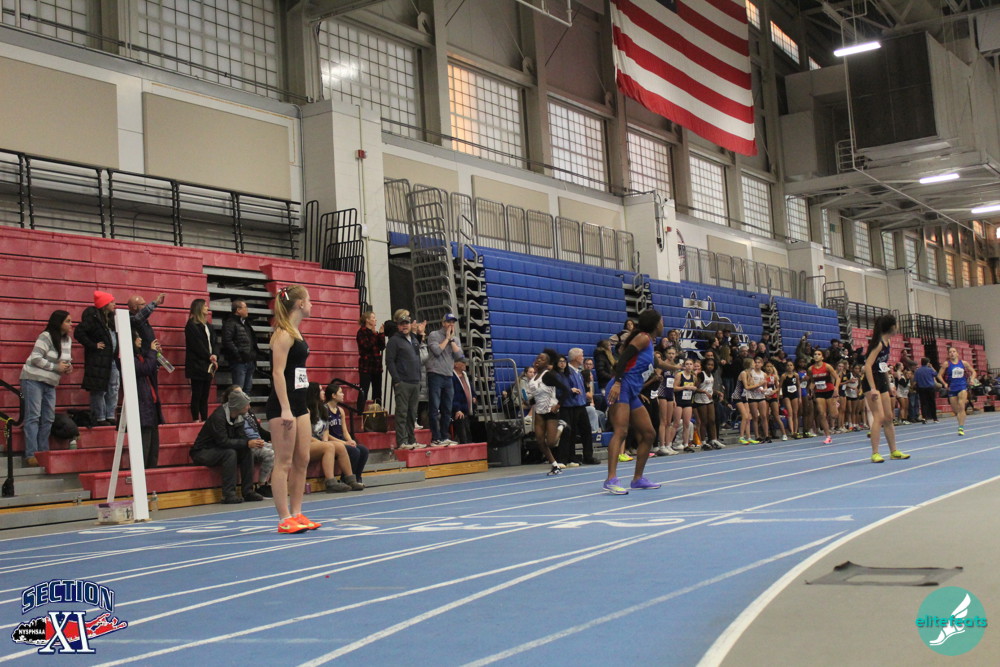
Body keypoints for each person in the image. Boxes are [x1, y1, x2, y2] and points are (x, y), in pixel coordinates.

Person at [265, 284, 320, 534]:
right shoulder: (283, 334)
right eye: (309, 300)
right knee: (284, 462)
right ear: (299, 304)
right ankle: (284, 517)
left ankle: (297, 512)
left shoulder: (297, 332)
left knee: (302, 459)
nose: (312, 304)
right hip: (282, 406)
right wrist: (285, 409)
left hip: (300, 403)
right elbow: (277, 373)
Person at [603, 309, 664, 495]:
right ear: (655, 324)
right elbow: (623, 358)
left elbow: (659, 364)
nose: (663, 324)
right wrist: (618, 382)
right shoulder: (643, 338)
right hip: (621, 387)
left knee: (648, 433)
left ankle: (637, 479)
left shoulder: (650, 343)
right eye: (661, 321)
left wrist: (676, 366)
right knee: (621, 431)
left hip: (631, 392)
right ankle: (611, 479)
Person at [189, 389, 265, 504]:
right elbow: (222, 442)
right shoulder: (218, 417)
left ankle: (248, 491)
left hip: (220, 449)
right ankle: (228, 494)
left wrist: (251, 442)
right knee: (230, 453)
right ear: (238, 406)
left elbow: (241, 437)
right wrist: (246, 443)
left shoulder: (239, 416)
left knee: (247, 451)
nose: (249, 407)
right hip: (203, 452)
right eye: (246, 405)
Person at [19, 310, 73, 465]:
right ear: (59, 323)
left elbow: (66, 360)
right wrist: (55, 367)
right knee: (33, 416)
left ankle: (43, 452)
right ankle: (31, 454)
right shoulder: (46, 336)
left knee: (48, 418)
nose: (71, 324)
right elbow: (35, 358)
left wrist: (68, 367)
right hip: (33, 379)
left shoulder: (67, 340)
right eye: (68, 321)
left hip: (50, 382)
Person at [862, 315, 910, 462]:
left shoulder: (888, 342)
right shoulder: (878, 344)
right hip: (871, 381)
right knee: (879, 417)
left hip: (881, 381)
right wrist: (873, 388)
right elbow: (867, 366)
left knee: (889, 417)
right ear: (892, 327)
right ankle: (875, 453)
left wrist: (889, 385)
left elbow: (882, 367)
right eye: (897, 324)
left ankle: (893, 451)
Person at [305, 383, 362, 492]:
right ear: (314, 393)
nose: (323, 392)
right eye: (321, 390)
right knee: (329, 447)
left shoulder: (322, 409)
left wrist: (325, 441)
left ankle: (350, 479)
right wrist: (323, 444)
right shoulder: (307, 411)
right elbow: (306, 436)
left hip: (319, 443)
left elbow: (325, 430)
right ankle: (331, 482)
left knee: (340, 447)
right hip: (307, 443)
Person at [221, 384, 274, 498]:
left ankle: (272, 483)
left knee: (282, 449)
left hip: (258, 441)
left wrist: (275, 438)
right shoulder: (230, 414)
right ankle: (261, 485)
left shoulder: (248, 412)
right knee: (270, 453)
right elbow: (234, 435)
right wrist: (250, 442)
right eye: (238, 394)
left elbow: (259, 430)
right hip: (247, 445)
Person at [75, 291, 119, 427]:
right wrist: (93, 345)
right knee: (99, 390)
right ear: (104, 304)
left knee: (113, 388)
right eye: (111, 302)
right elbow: (78, 332)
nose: (114, 304)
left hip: (111, 359)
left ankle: (110, 414)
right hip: (98, 361)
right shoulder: (93, 319)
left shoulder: (111, 320)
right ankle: (100, 416)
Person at [524, 349, 571, 475]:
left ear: (547, 363)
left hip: (551, 410)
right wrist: (530, 401)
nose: (539, 360)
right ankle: (555, 465)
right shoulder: (533, 379)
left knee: (551, 442)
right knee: (540, 441)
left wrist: (558, 405)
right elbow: (535, 396)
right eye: (538, 358)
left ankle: (561, 425)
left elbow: (566, 390)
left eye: (542, 359)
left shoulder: (548, 375)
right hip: (539, 411)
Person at [425, 313, 465, 446]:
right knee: (434, 407)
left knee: (447, 408)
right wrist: (447, 338)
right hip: (435, 374)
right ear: (443, 323)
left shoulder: (455, 339)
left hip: (448, 375)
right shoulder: (434, 335)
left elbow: (459, 356)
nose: (451, 325)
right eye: (448, 322)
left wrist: (451, 340)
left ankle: (444, 436)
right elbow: (437, 351)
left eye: (453, 322)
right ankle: (435, 437)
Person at [385, 313, 423, 450]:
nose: (405, 326)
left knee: (412, 413)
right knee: (402, 413)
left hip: (415, 381)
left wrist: (419, 378)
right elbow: (389, 361)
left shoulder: (414, 339)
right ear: (398, 326)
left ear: (410, 324)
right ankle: (402, 442)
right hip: (403, 382)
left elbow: (418, 359)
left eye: (406, 323)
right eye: (402, 324)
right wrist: (397, 380)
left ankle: (412, 440)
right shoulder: (394, 341)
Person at [324, 381, 369, 484]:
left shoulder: (340, 410)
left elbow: (345, 431)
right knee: (354, 451)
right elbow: (326, 435)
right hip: (333, 442)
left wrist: (350, 440)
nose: (343, 394)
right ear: (333, 395)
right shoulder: (324, 409)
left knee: (364, 450)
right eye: (340, 392)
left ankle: (357, 477)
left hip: (342, 441)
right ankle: (345, 479)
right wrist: (344, 443)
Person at [560, 348, 598, 464]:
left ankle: (588, 456)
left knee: (586, 430)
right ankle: (569, 457)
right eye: (581, 355)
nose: (583, 357)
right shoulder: (567, 372)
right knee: (571, 432)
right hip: (572, 406)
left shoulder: (578, 372)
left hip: (581, 405)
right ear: (576, 357)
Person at [184, 298, 218, 422]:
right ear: (199, 308)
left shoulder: (208, 326)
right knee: (197, 393)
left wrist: (215, 355)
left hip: (208, 364)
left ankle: (204, 419)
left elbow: (214, 343)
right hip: (196, 364)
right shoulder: (191, 325)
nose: (207, 308)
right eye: (204, 306)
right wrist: (209, 356)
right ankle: (195, 419)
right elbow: (197, 345)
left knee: (205, 395)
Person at [133, 333, 163, 468]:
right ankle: (142, 473)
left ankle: (152, 473)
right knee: (144, 447)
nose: (140, 339)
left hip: (152, 403)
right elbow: (144, 369)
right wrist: (152, 353)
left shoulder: (142, 356)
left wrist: (156, 355)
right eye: (137, 337)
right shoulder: (129, 358)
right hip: (142, 405)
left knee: (153, 447)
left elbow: (151, 369)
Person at [221, 300, 259, 395]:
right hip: (239, 362)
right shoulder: (230, 323)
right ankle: (237, 405)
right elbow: (227, 341)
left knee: (247, 388)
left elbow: (251, 341)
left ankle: (245, 405)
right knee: (238, 390)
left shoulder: (245, 323)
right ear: (238, 310)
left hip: (249, 360)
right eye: (245, 307)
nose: (247, 310)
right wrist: (238, 356)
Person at [938, 345, 975, 436]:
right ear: (948, 354)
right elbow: (939, 375)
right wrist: (944, 383)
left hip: (962, 387)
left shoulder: (963, 363)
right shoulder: (946, 364)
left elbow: (974, 372)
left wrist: (972, 379)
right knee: (956, 410)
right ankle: (960, 424)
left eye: (954, 351)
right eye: (950, 352)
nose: (952, 353)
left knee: (961, 406)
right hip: (952, 388)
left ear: (957, 354)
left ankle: (961, 427)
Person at [355, 310, 386, 415]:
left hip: (376, 366)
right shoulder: (361, 332)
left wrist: (381, 334)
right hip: (366, 366)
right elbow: (367, 346)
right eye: (373, 318)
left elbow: (382, 346)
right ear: (367, 320)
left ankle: (378, 413)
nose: (375, 320)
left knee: (377, 392)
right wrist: (373, 334)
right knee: (364, 390)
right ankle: (360, 412)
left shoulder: (374, 333)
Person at [807, 348, 839, 444]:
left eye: (819, 354)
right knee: (822, 413)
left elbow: (837, 378)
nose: (816, 356)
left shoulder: (827, 367)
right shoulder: (810, 369)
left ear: (822, 357)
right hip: (819, 392)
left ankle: (835, 405)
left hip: (829, 391)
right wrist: (810, 389)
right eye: (815, 354)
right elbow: (812, 381)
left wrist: (836, 388)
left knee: (833, 415)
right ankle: (828, 436)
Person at [655, 345, 681, 456]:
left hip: (670, 394)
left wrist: (674, 398)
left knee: (669, 422)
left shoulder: (674, 367)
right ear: (666, 354)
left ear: (675, 355)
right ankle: (662, 445)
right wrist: (656, 395)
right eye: (669, 353)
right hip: (662, 393)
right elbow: (656, 377)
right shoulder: (663, 365)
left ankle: (668, 444)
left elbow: (672, 384)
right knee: (663, 421)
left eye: (673, 353)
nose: (671, 355)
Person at [695, 357, 724, 449]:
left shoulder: (711, 375)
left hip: (709, 399)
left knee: (712, 420)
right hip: (700, 400)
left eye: (712, 365)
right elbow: (695, 388)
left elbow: (709, 388)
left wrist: (717, 392)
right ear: (704, 365)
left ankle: (713, 439)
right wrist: (704, 392)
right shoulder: (701, 375)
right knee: (704, 421)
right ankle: (703, 441)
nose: (710, 366)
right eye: (708, 365)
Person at [451, 359, 477, 445]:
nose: (465, 364)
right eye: (462, 362)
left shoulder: (465, 375)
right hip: (458, 411)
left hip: (466, 410)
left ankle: (468, 447)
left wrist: (474, 396)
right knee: (463, 435)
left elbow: (471, 389)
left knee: (468, 433)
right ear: (456, 364)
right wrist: (457, 409)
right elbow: (452, 395)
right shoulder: (452, 377)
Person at [733, 358, 757, 445]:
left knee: (749, 417)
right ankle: (741, 437)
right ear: (749, 364)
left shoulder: (750, 373)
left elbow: (751, 386)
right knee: (745, 416)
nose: (755, 364)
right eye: (753, 363)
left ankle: (749, 437)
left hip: (744, 396)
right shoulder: (743, 373)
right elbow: (747, 387)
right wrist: (759, 384)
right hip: (737, 396)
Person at [914, 357, 940, 423]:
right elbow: (936, 374)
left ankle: (924, 418)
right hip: (930, 388)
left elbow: (915, 380)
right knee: (932, 403)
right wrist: (932, 367)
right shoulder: (930, 370)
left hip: (921, 388)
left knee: (923, 403)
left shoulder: (917, 371)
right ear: (927, 363)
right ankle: (934, 418)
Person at [780, 361, 800, 439]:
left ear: (793, 366)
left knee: (795, 413)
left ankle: (796, 431)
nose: (789, 367)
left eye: (791, 365)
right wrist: (780, 396)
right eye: (788, 365)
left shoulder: (796, 375)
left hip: (794, 394)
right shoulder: (784, 376)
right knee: (790, 413)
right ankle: (792, 431)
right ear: (786, 367)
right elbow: (780, 386)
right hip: (787, 395)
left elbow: (798, 386)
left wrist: (799, 397)